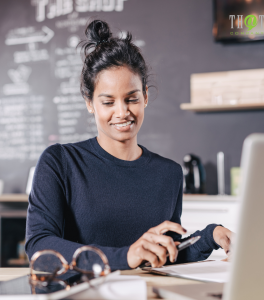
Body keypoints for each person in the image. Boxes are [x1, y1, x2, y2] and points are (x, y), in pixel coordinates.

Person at [25, 20, 233, 271]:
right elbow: (40, 248)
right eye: (108, 102)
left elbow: (166, 254)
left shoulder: (168, 173)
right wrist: (125, 257)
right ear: (90, 103)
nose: (122, 112)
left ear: (145, 96)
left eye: (131, 99)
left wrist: (210, 236)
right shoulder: (60, 162)